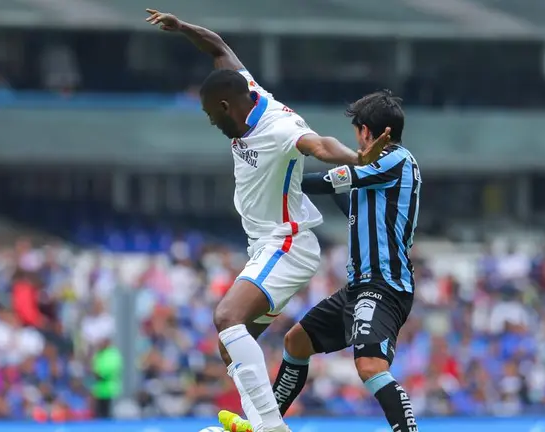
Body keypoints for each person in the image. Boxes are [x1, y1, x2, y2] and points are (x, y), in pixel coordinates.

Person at [145, 9, 392, 432]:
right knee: (231, 346)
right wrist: (184, 29)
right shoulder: (246, 91)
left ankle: (269, 428)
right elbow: (219, 46)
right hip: (265, 246)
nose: (210, 121)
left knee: (226, 318)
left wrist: (357, 161)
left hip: (288, 242)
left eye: (210, 114)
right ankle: (258, 422)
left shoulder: (277, 127)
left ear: (226, 106)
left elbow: (318, 144)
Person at [221, 90, 421, 431]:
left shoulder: (395, 161)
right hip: (360, 287)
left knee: (370, 365)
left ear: (366, 132)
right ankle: (266, 424)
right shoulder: (374, 175)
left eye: (356, 130)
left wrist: (277, 176)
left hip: (383, 286)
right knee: (296, 341)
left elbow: (328, 182)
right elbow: (348, 202)